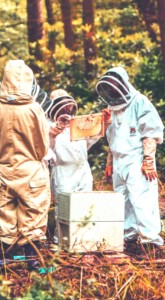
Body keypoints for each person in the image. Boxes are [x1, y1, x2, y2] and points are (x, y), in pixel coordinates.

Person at [0, 60, 51, 268]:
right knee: (33, 217)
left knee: (3, 218)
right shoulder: (34, 109)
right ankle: (33, 262)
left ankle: (4, 260)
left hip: (1, 170)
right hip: (31, 171)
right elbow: (43, 148)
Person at [95, 66, 164, 256]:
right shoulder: (112, 109)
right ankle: (130, 238)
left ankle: (152, 243)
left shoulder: (140, 102)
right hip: (119, 161)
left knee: (142, 200)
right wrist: (109, 163)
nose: (111, 92)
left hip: (136, 159)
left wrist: (148, 161)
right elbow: (112, 138)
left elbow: (151, 133)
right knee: (122, 200)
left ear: (124, 84)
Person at [44, 89, 100, 245]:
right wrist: (54, 133)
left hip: (83, 169)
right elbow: (47, 150)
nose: (67, 109)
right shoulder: (48, 125)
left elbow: (89, 141)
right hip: (62, 170)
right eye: (63, 105)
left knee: (85, 205)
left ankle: (82, 242)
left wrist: (104, 124)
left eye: (69, 105)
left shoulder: (78, 123)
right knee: (63, 209)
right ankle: (60, 242)